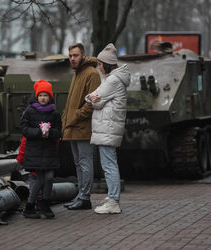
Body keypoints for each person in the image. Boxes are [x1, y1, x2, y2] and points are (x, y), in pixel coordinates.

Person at [85, 43, 130, 214]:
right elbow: (97, 99)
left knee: (109, 164)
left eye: (100, 64)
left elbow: (92, 98)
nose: (99, 67)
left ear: (107, 64)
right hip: (108, 127)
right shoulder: (114, 79)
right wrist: (97, 100)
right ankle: (113, 196)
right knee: (109, 163)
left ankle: (113, 201)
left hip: (108, 127)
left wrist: (95, 99)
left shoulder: (112, 80)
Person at [61, 43, 101, 210]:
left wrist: (76, 116)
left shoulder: (91, 74)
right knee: (78, 163)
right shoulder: (77, 73)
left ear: (83, 55)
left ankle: (85, 197)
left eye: (75, 55)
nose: (72, 59)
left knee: (85, 162)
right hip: (72, 127)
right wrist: (66, 119)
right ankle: (81, 196)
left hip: (82, 127)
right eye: (70, 56)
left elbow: (92, 102)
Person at [21, 80, 62, 219]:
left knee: (49, 178)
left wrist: (51, 133)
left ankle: (44, 203)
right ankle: (30, 206)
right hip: (35, 151)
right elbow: (24, 129)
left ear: (50, 97)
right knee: (39, 179)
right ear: (36, 96)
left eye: (45, 95)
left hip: (49, 151)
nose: (43, 98)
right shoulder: (30, 111)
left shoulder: (54, 113)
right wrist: (38, 132)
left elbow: (59, 131)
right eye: (40, 95)